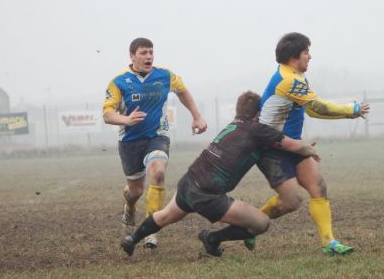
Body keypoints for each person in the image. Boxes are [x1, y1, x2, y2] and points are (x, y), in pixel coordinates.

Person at [120, 91, 320, 257]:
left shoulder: (233, 125)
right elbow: (293, 145)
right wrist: (308, 149)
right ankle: (212, 238)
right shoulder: (257, 130)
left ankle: (132, 239)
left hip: (189, 181)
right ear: (258, 113)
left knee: (165, 216)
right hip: (208, 195)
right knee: (261, 223)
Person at [251, 32, 370, 255]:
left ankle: (329, 243)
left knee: (318, 187)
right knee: (291, 202)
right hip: (272, 150)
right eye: (306, 52)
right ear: (294, 56)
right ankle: (250, 225)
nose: (310, 56)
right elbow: (318, 106)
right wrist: (350, 109)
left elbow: (311, 111)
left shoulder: (294, 76)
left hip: (293, 146)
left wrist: (348, 116)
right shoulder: (289, 80)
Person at [103, 37, 207, 249]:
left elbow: (182, 91)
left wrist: (196, 116)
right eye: (143, 52)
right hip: (130, 141)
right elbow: (107, 114)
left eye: (151, 52)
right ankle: (130, 207)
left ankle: (151, 230)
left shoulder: (165, 75)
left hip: (157, 136)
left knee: (158, 173)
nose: (149, 56)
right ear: (132, 56)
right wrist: (126, 119)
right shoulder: (119, 82)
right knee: (136, 191)